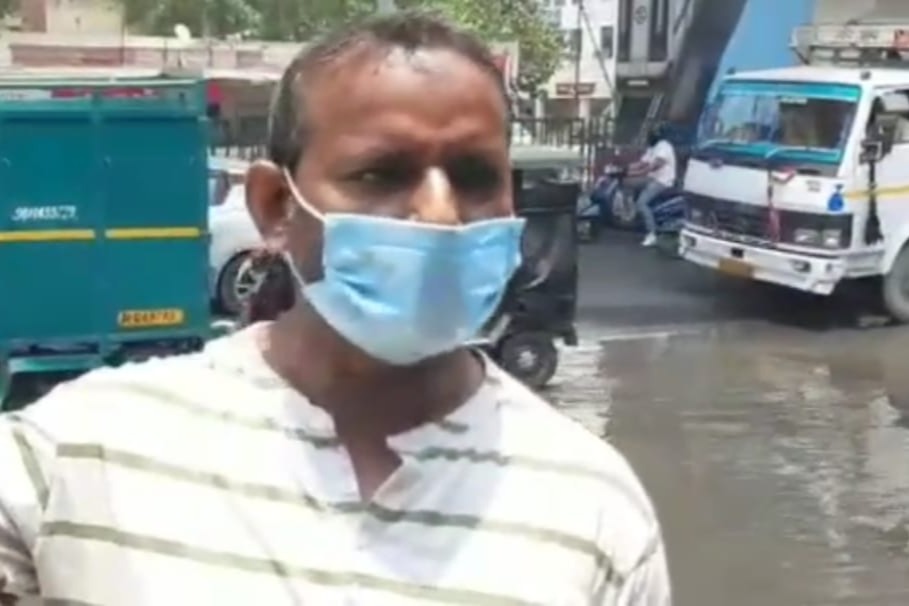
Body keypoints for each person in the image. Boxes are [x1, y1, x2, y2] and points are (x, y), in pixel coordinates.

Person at [0, 13, 670, 605]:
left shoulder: (594, 508)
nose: (437, 213)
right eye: (380, 174)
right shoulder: (84, 449)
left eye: (472, 177)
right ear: (275, 208)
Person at [628, 126, 677, 247]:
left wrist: (638, 173)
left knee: (641, 203)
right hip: (652, 178)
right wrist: (626, 168)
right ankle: (634, 214)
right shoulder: (652, 148)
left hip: (662, 181)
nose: (647, 138)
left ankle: (652, 234)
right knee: (628, 183)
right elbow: (643, 163)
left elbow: (656, 166)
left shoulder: (664, 146)